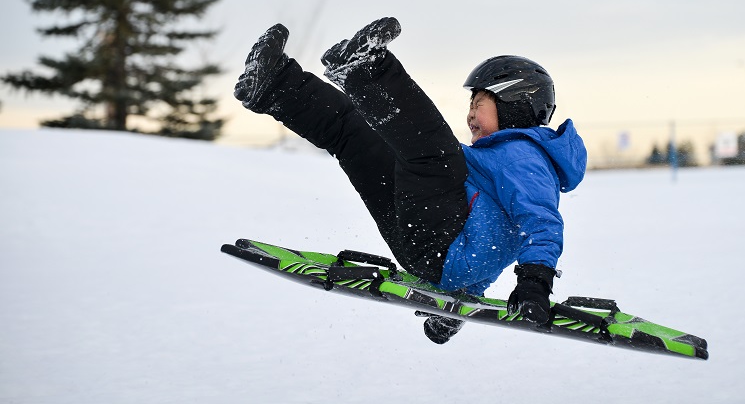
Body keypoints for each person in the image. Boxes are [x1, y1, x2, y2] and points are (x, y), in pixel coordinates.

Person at [234, 17, 587, 344]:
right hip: (425, 246)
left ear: (515, 104)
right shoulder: (498, 159)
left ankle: (366, 69)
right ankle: (273, 85)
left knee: (437, 151)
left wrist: (534, 283)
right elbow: (490, 245)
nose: (470, 114)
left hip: (439, 241)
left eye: (479, 102)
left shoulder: (526, 158)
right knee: (356, 137)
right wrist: (458, 303)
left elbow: (541, 224)